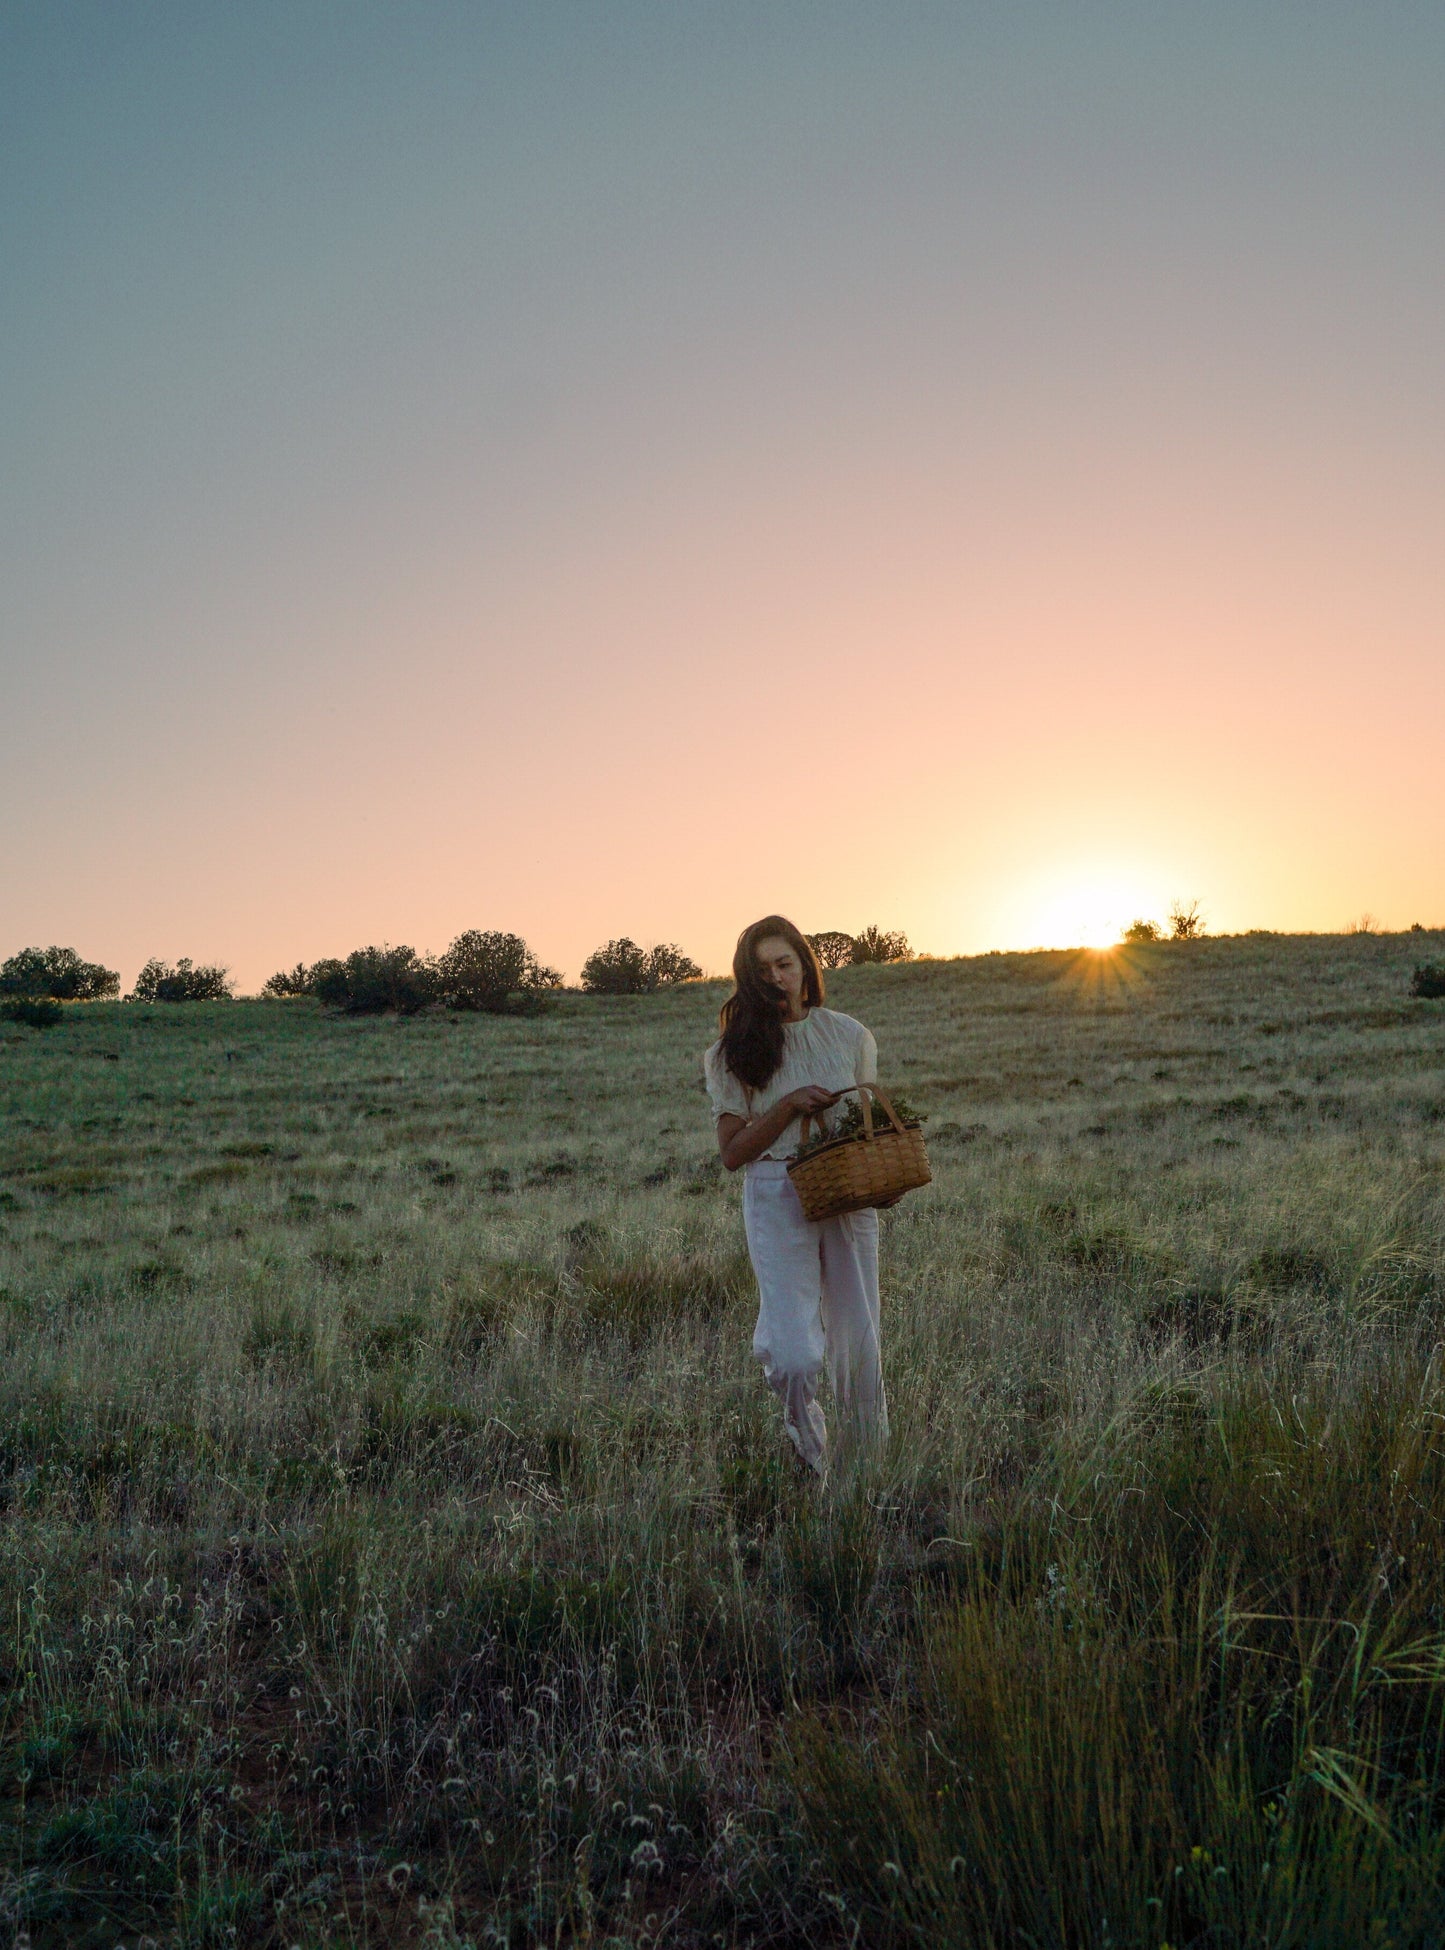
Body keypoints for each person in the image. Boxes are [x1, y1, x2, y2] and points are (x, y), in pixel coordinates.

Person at [703, 914, 889, 1476]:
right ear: (748, 980)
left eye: (786, 964)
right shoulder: (730, 1052)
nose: (778, 977)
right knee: (793, 1354)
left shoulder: (850, 1035)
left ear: (806, 967)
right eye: (764, 970)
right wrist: (786, 1106)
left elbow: (871, 1125)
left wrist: (884, 1183)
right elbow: (732, 1153)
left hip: (846, 1188)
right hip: (775, 1192)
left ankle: (865, 1475)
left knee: (859, 1346)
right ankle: (813, 1456)